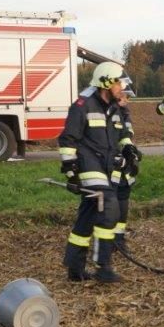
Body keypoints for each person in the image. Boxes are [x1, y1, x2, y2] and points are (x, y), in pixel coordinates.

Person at [58, 61, 126, 283]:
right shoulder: (82, 106)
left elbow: (118, 137)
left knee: (87, 216)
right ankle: (102, 265)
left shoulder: (113, 108)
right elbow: (67, 139)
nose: (121, 87)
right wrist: (71, 171)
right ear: (106, 83)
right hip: (87, 166)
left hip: (105, 168)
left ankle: (75, 268)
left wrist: (128, 152)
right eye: (118, 83)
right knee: (109, 206)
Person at [110, 83, 142, 254]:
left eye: (128, 97)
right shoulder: (106, 112)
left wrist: (131, 152)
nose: (126, 100)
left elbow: (126, 136)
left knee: (123, 202)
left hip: (121, 167)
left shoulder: (124, 113)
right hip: (108, 167)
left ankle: (119, 240)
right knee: (109, 206)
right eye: (124, 96)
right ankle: (107, 242)